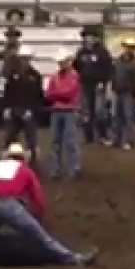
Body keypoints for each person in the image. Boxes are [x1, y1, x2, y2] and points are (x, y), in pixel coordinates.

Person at [0, 143, 98, 268]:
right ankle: (74, 259)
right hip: (11, 206)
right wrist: (39, 214)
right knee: (43, 237)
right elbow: (37, 196)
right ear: (22, 158)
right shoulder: (25, 170)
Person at [1, 45, 44, 164]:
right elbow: (8, 93)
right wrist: (7, 108)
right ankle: (8, 162)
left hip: (28, 112)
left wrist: (31, 110)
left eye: (26, 58)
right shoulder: (13, 74)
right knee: (9, 138)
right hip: (14, 110)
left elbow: (37, 96)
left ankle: (32, 164)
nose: (24, 61)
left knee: (31, 140)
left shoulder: (35, 76)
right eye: (23, 58)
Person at [73, 26, 113, 145]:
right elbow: (77, 66)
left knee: (99, 111)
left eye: (90, 37)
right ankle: (88, 137)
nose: (88, 39)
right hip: (85, 85)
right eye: (86, 37)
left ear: (96, 38)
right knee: (86, 112)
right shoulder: (81, 52)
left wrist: (103, 82)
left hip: (98, 85)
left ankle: (103, 136)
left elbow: (108, 69)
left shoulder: (102, 52)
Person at [45, 51, 81, 179]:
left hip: (68, 111)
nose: (61, 64)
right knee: (56, 141)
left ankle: (73, 168)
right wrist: (59, 95)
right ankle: (56, 169)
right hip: (60, 110)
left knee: (69, 141)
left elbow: (68, 93)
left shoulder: (74, 76)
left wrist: (56, 94)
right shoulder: (56, 77)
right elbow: (50, 94)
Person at [110, 37, 135, 150]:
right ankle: (117, 139)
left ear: (134, 49)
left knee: (128, 117)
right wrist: (114, 86)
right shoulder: (118, 61)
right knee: (117, 117)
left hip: (128, 93)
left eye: (131, 47)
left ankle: (128, 141)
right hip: (117, 92)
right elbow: (113, 75)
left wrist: (133, 89)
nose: (128, 49)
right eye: (127, 47)